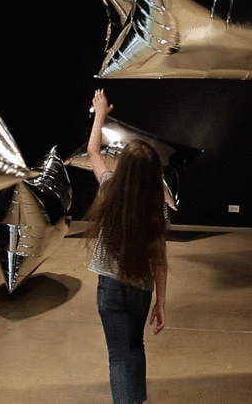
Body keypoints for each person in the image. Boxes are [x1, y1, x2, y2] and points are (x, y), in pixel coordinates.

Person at [85, 89, 168, 404]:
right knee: (136, 346)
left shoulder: (109, 188)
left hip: (110, 288)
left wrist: (100, 115)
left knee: (119, 354)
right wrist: (161, 301)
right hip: (141, 289)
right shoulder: (156, 208)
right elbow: (160, 260)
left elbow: (94, 152)